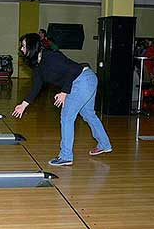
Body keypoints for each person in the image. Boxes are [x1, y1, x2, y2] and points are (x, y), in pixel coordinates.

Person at [12, 33, 112, 166]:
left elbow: (71, 70)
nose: (22, 49)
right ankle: (104, 144)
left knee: (67, 117)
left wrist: (64, 92)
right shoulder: (38, 65)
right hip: (87, 79)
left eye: (24, 46)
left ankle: (66, 156)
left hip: (82, 80)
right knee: (88, 114)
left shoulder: (51, 56)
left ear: (32, 46)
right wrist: (24, 104)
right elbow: (37, 85)